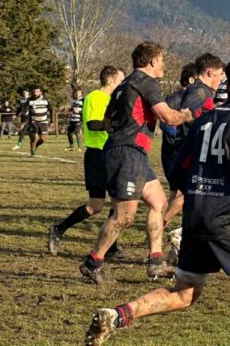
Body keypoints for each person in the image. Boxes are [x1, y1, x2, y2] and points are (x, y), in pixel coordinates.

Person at [84, 55, 230, 346]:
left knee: (184, 293)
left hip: (196, 218)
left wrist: (199, 193)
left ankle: (119, 314)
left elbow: (176, 169)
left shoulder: (206, 119)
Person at [79, 41, 194, 284]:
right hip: (127, 154)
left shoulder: (123, 85)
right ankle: (93, 263)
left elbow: (108, 120)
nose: (164, 65)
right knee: (124, 216)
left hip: (132, 153)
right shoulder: (147, 82)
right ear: (152, 61)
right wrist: (187, 114)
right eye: (162, 60)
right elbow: (169, 118)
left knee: (159, 202)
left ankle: (156, 262)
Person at [49, 66, 125, 256]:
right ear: (109, 80)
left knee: (120, 202)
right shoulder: (95, 97)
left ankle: (111, 246)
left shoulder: (112, 99)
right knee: (96, 206)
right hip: (97, 156)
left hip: (112, 154)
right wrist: (117, 123)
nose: (122, 84)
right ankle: (58, 229)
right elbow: (93, 123)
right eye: (120, 80)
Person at [161, 54, 224, 229]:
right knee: (191, 194)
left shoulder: (206, 92)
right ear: (210, 72)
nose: (222, 78)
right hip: (189, 152)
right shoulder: (198, 91)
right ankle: (159, 227)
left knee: (188, 195)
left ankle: (163, 227)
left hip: (196, 152)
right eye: (220, 74)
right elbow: (186, 114)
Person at [20, 87, 53, 156]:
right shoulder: (29, 100)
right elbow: (25, 112)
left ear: (40, 92)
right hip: (33, 121)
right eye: (34, 92)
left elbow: (51, 110)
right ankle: (32, 152)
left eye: (37, 92)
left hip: (43, 122)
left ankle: (35, 146)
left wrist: (51, 121)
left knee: (42, 139)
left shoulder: (45, 100)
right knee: (33, 137)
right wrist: (23, 122)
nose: (35, 93)